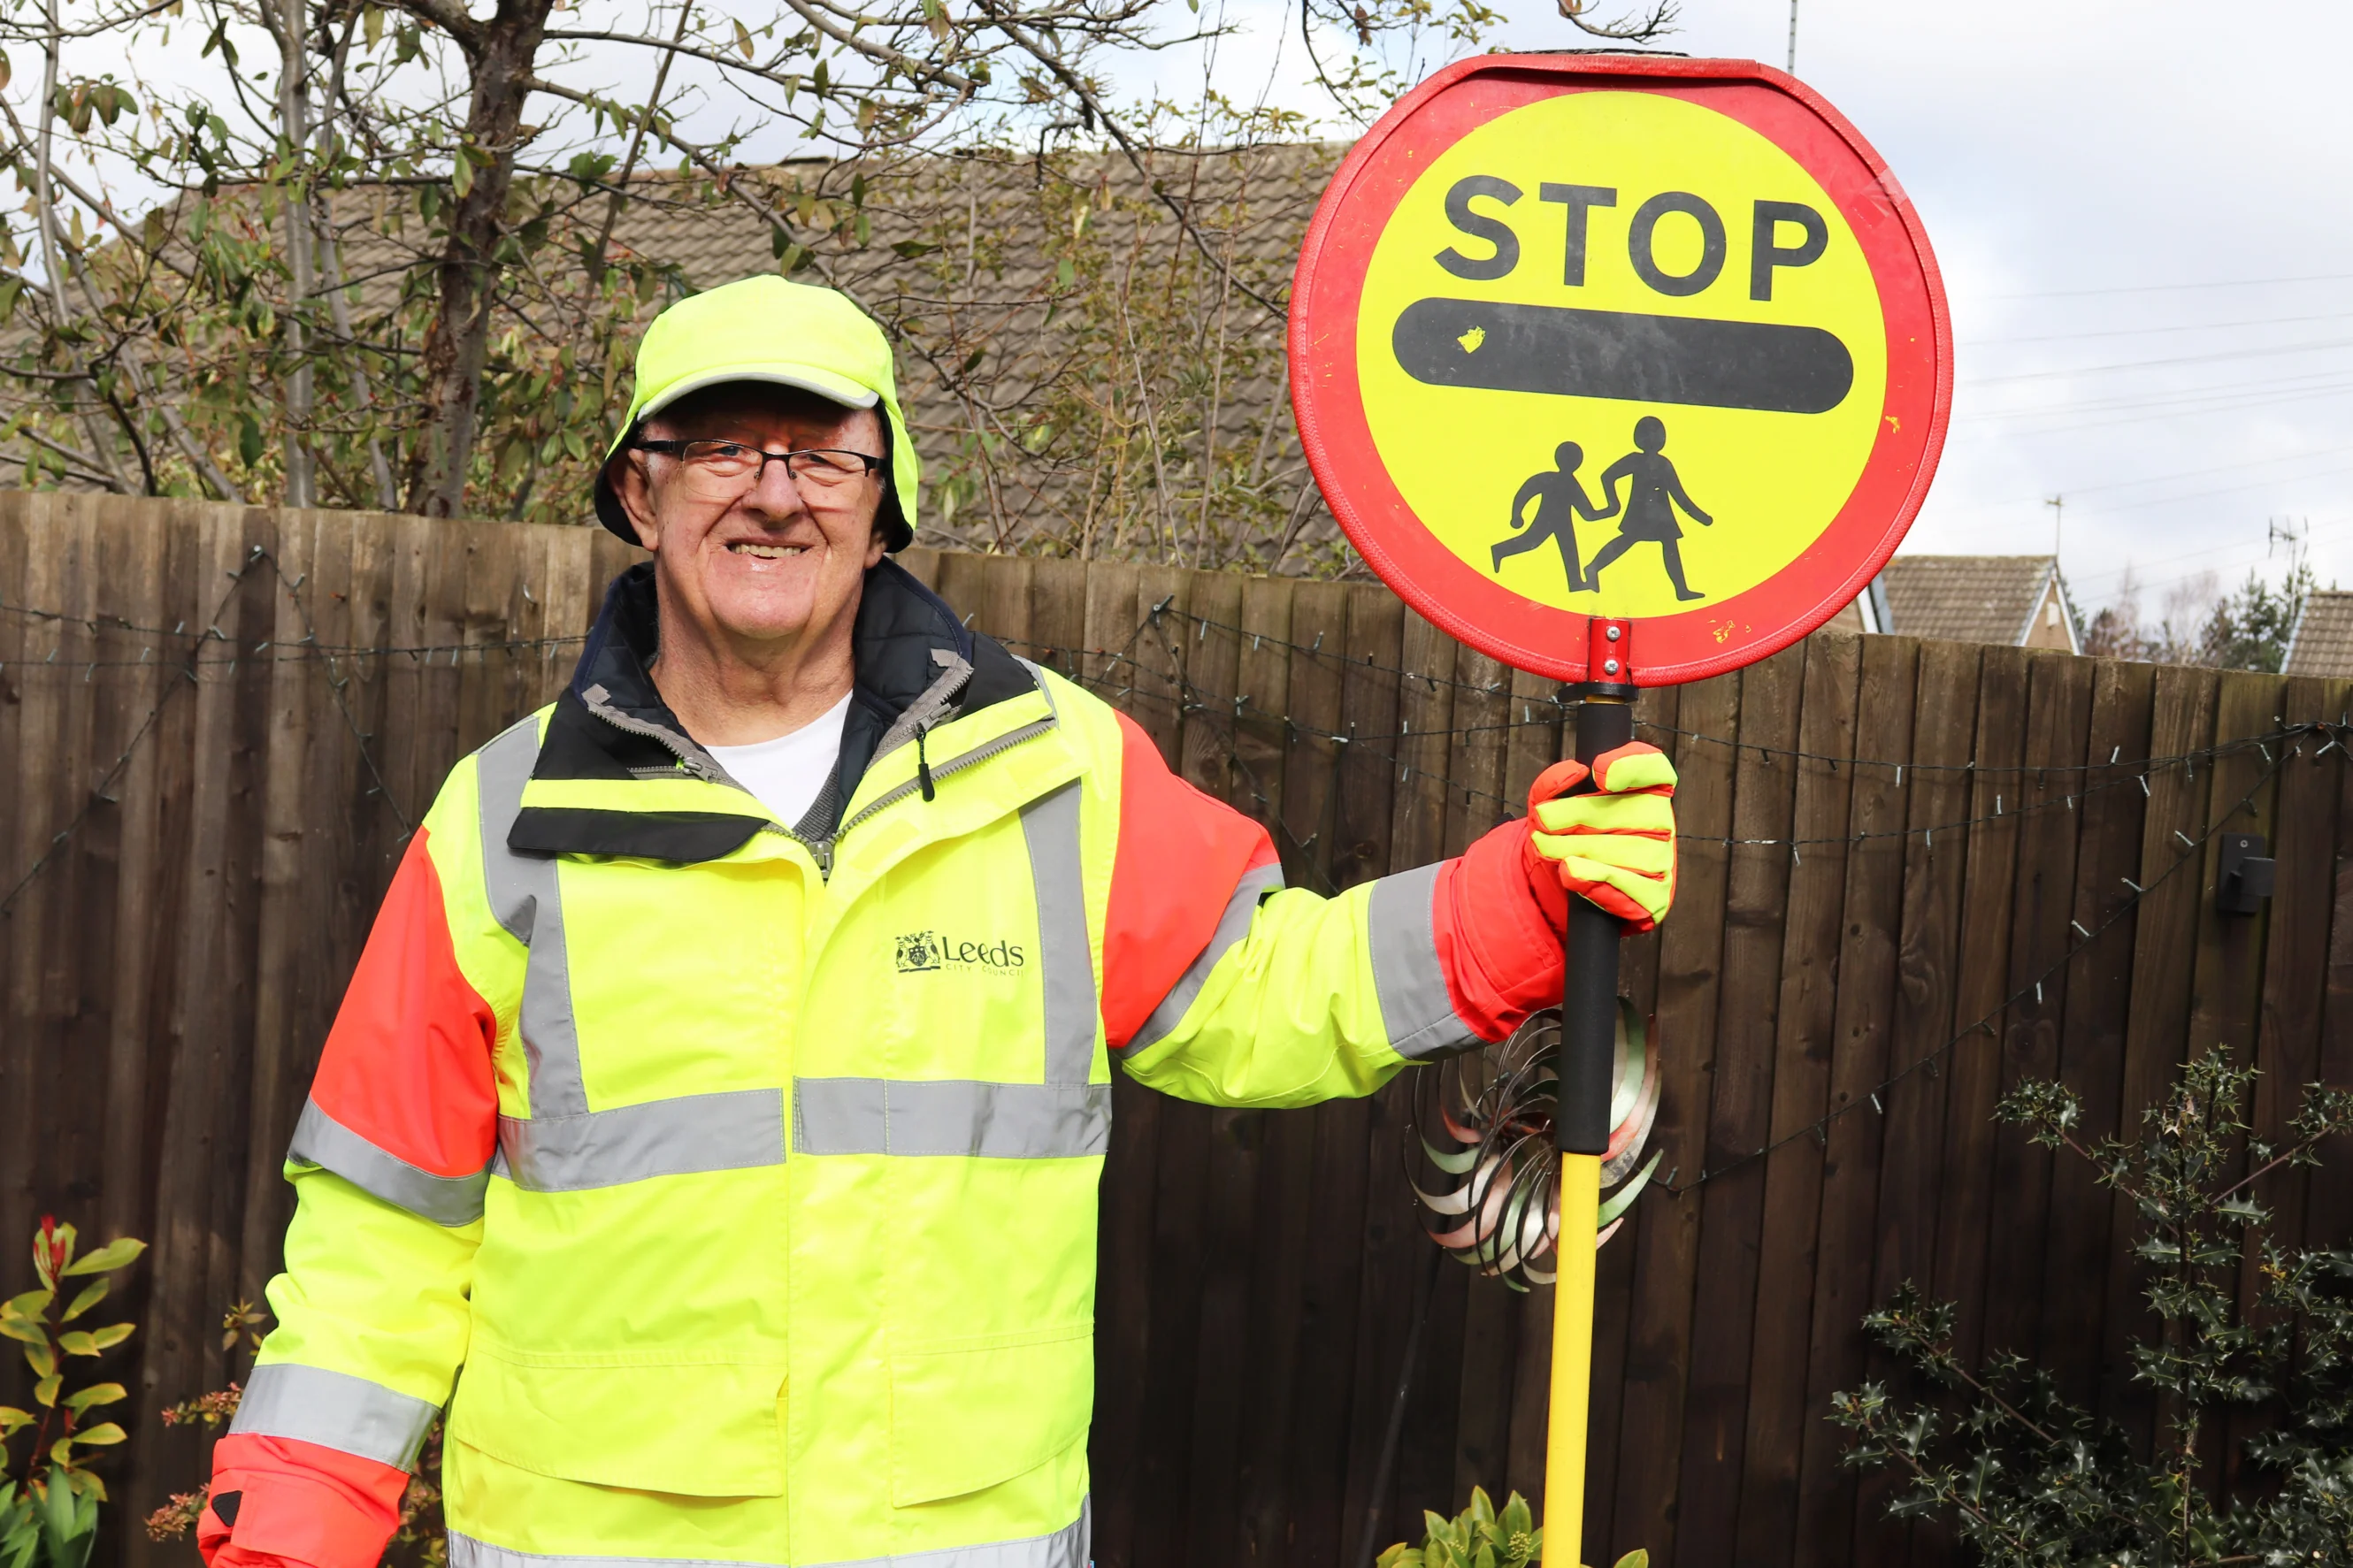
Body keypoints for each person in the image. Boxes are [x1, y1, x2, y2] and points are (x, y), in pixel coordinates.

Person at [195, 276, 1682, 1568]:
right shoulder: (500, 819)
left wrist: (1520, 904)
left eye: (820, 453)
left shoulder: (1054, 770)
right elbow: (382, 1238)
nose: (772, 491)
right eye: (717, 446)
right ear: (639, 495)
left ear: (883, 493)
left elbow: (1261, 989)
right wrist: (293, 1523)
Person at [1583, 415, 1713, 601]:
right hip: (1640, 512)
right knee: (1627, 541)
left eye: (1657, 434)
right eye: (1649, 435)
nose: (1653, 439)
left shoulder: (1664, 463)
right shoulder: (1635, 460)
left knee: (1669, 544)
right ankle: (1593, 568)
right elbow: (1608, 476)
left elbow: (1679, 495)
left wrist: (1701, 517)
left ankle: (1681, 590)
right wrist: (1613, 503)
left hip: (1661, 515)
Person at [1491, 440, 1613, 589]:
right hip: (1548, 519)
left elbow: (1587, 513)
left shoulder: (1566, 482)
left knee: (1568, 549)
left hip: (1562, 523)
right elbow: (1526, 491)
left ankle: (1575, 582)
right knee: (1532, 542)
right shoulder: (1555, 480)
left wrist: (1609, 511)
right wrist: (1516, 514)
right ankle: (1499, 550)